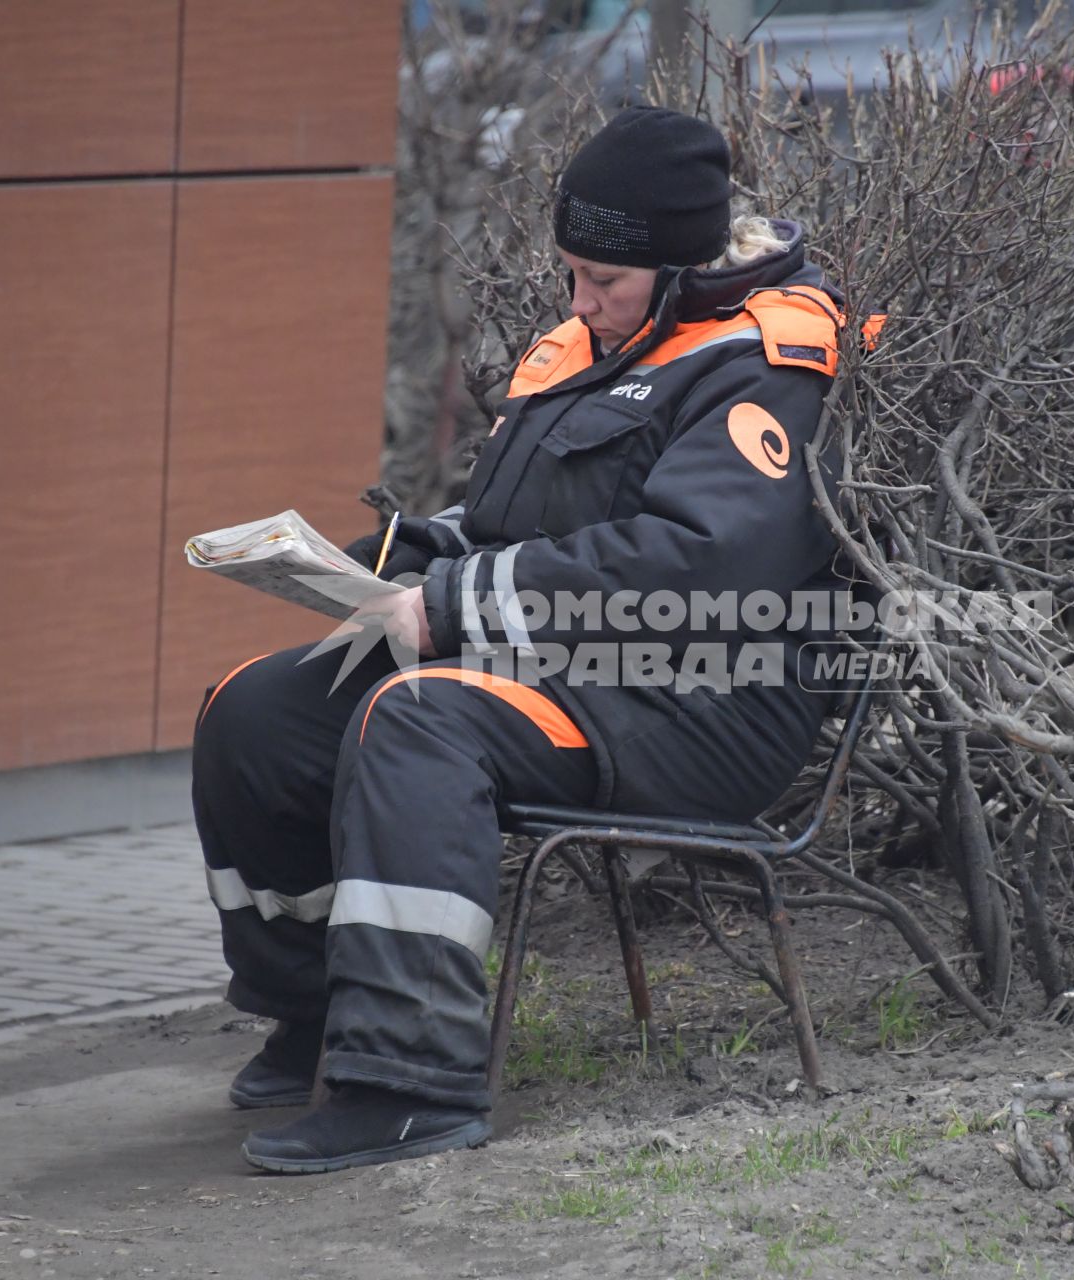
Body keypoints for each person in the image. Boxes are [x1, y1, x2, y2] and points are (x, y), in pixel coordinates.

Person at [192, 106, 855, 1174]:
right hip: (566, 665)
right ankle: (311, 1014)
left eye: (606, 280)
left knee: (417, 719)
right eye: (573, 274)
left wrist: (449, 604)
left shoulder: (767, 355)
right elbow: (522, 526)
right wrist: (405, 555)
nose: (581, 303)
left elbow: (693, 565)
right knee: (256, 712)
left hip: (698, 699)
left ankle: (410, 1084)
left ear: (684, 269)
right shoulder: (596, 336)